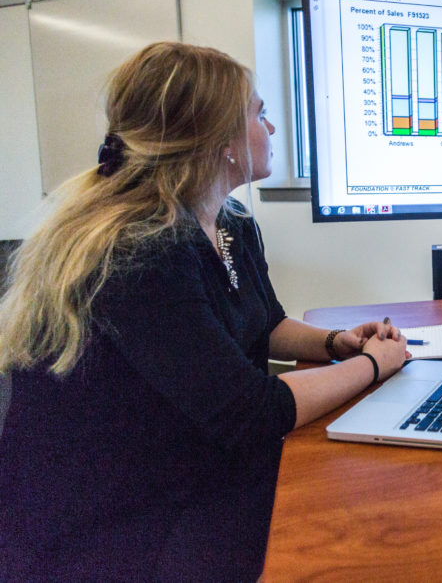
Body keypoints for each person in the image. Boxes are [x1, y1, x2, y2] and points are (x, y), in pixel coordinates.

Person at [0, 42, 409, 580]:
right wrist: (377, 365)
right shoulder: (138, 248)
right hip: (115, 529)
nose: (272, 128)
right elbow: (250, 413)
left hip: (186, 469)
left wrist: (337, 344)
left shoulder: (231, 221)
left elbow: (263, 323)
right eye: (259, 114)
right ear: (220, 140)